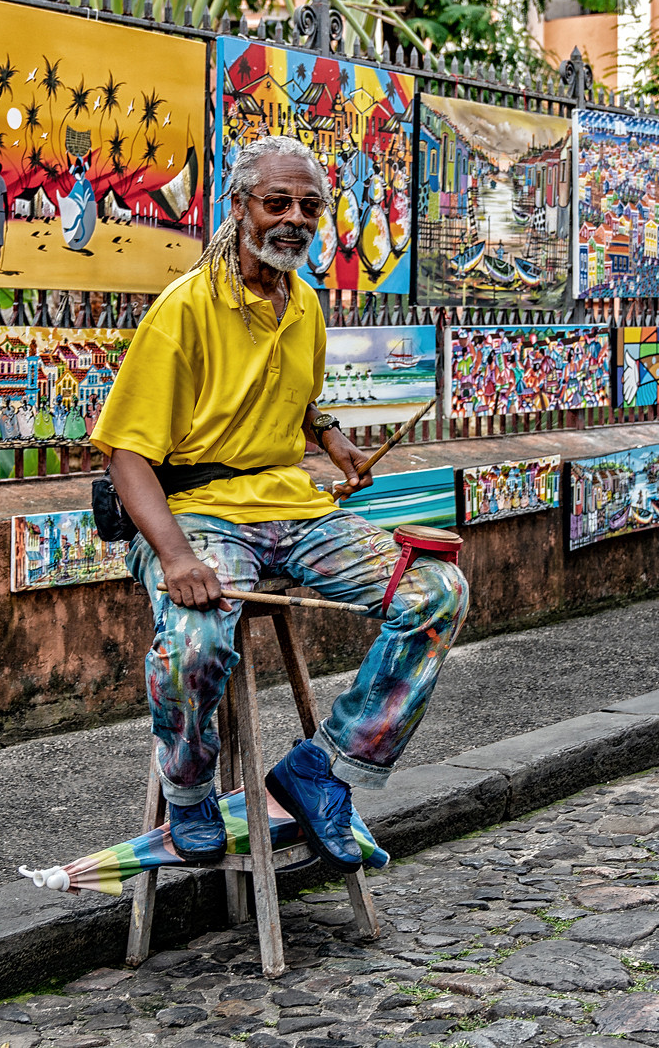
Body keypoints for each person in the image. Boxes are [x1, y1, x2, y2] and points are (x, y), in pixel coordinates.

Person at [90, 135, 469, 869]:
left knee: (437, 590)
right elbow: (126, 455)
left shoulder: (303, 305)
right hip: (198, 513)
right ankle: (191, 791)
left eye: (309, 205)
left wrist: (332, 441)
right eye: (276, 202)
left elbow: (296, 397)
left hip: (292, 511)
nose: (293, 217)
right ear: (240, 208)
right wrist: (174, 554)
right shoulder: (183, 311)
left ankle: (323, 765)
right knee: (197, 641)